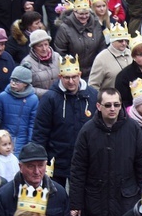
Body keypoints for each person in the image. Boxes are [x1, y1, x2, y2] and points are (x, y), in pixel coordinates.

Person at [69, 86, 142, 216]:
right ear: (98, 106)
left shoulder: (132, 128)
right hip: (96, 198)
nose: (112, 108)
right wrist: (76, 203)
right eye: (108, 105)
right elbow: (78, 169)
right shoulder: (87, 131)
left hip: (126, 197)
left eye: (116, 104)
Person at [31, 56, 97, 194]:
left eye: (74, 77)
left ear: (80, 75)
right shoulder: (50, 98)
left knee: (78, 204)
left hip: (83, 161)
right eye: (67, 78)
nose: (71, 81)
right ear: (60, 77)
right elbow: (40, 132)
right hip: (56, 161)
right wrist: (39, 160)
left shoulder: (92, 95)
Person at [53, 0, 105, 79]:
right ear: (74, 12)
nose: (84, 16)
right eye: (81, 14)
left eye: (86, 13)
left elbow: (101, 47)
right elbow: (60, 52)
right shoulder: (65, 28)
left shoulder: (96, 25)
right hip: (74, 74)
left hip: (94, 72)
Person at [0, 65, 38, 155]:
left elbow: (32, 124)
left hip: (23, 140)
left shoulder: (33, 99)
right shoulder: (3, 97)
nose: (13, 83)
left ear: (25, 83)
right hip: (3, 140)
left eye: (17, 81)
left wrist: (30, 143)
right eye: (12, 80)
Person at [89, 21, 131, 90]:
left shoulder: (130, 53)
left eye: (126, 40)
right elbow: (93, 85)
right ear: (113, 41)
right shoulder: (101, 58)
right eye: (120, 41)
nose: (124, 43)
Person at [20, 28, 60, 98]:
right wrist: (48, 93)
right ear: (33, 47)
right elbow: (24, 86)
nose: (44, 48)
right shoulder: (26, 63)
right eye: (40, 46)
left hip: (59, 99)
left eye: (46, 44)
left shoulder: (57, 57)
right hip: (39, 102)